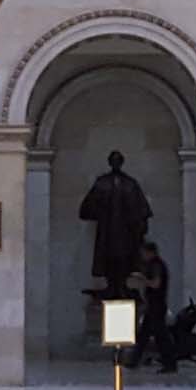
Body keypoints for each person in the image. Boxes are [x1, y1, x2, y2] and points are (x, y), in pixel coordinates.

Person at [77, 149, 152, 298]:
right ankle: (112, 286)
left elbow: (142, 209)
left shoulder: (130, 184)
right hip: (108, 231)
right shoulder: (102, 183)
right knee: (109, 258)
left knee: (124, 258)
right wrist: (99, 212)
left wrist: (142, 226)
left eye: (118, 160)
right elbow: (86, 209)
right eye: (114, 160)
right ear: (110, 162)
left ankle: (121, 286)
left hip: (126, 232)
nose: (116, 163)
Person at [126, 239, 174, 372]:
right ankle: (134, 361)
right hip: (153, 306)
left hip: (156, 306)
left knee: (161, 336)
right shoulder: (155, 265)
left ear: (149, 252)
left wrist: (142, 280)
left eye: (143, 253)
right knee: (144, 335)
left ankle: (170, 364)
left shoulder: (156, 265)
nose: (142, 256)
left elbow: (156, 284)